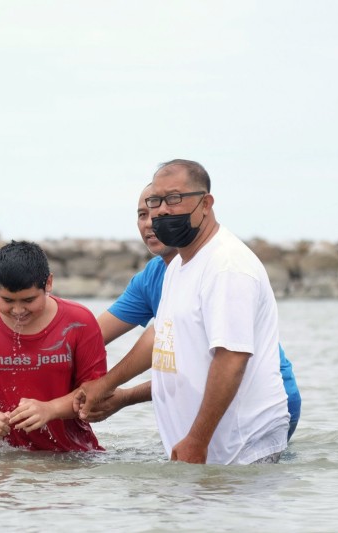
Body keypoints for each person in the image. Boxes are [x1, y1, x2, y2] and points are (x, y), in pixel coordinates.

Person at [79, 160, 289, 465]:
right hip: (202, 451)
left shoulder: (227, 266)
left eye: (175, 198)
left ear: (206, 203)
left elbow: (232, 359)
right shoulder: (178, 264)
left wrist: (197, 439)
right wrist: (106, 384)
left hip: (242, 450)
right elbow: (161, 334)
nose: (162, 210)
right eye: (156, 201)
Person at [0, 240, 107, 452]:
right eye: (7, 300)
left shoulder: (79, 321)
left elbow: (96, 394)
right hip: (0, 458)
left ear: (48, 283)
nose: (18, 310)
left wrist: (50, 409)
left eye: (29, 300)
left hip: (70, 457)